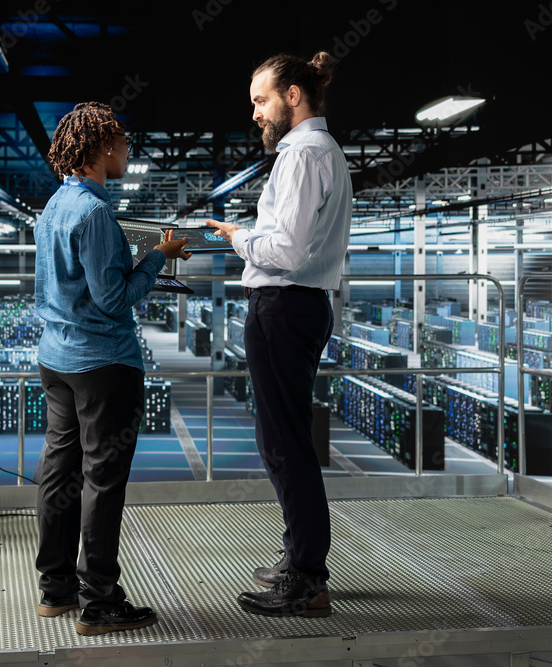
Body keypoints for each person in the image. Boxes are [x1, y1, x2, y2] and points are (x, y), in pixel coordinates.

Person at [34, 101, 191, 635]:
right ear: (103, 149)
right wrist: (157, 258)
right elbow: (113, 299)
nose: (128, 152)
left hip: (56, 358)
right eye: (124, 144)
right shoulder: (97, 213)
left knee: (60, 470)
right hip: (103, 364)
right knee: (102, 479)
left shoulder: (54, 206)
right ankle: (100, 600)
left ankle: (55, 590)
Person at [207, 52, 352, 617]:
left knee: (286, 445)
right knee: (287, 441)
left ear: (294, 95)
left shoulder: (301, 155)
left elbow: (286, 252)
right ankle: (300, 560)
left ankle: (308, 579)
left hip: (283, 306)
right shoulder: (325, 151)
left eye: (261, 101)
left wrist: (238, 236)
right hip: (300, 307)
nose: (256, 114)